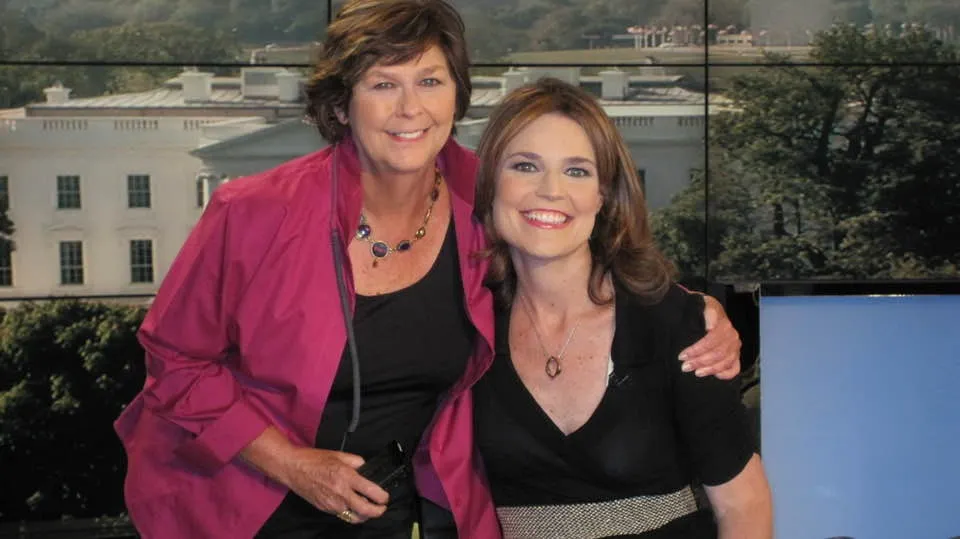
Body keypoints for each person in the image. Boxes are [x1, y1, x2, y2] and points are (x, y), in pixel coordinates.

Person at [113, 1, 743, 537]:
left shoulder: (485, 192)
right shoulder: (252, 212)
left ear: (457, 95)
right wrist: (291, 463)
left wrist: (694, 312)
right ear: (342, 105)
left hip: (411, 504)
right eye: (383, 83)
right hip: (252, 497)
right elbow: (176, 363)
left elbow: (577, 237)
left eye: (430, 81)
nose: (410, 108)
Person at [471, 78, 773, 539]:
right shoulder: (467, 327)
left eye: (577, 171)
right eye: (525, 166)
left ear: (603, 196)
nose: (551, 190)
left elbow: (743, 505)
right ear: (492, 184)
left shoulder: (675, 323)